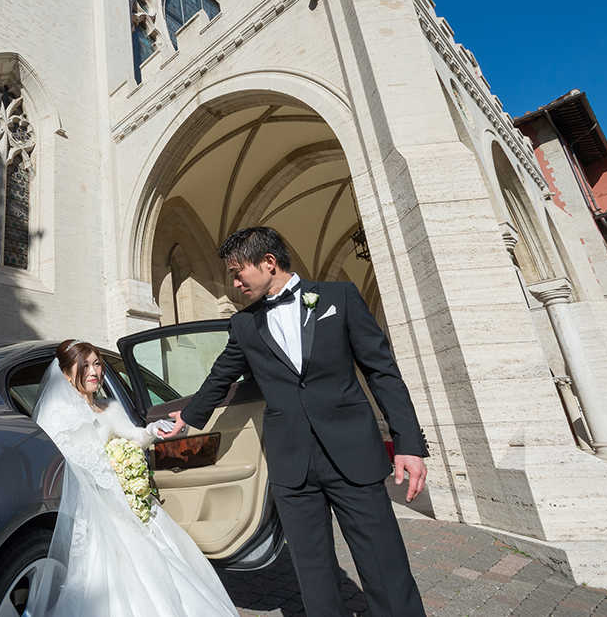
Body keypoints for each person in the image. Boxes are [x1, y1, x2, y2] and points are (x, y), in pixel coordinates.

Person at [163, 226, 428, 616]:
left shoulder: (340, 298)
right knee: (313, 573)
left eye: (238, 272)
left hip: (353, 454)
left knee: (385, 566)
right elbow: (221, 375)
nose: (234, 283)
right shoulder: (244, 324)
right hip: (292, 464)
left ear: (269, 263)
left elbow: (382, 371)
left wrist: (408, 444)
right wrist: (187, 418)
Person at [24, 340, 239, 617]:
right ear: (66, 373)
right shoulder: (56, 415)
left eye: (97, 364)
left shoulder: (109, 408)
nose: (94, 372)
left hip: (127, 502)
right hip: (92, 512)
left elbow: (135, 438)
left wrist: (152, 429)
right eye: (85, 365)